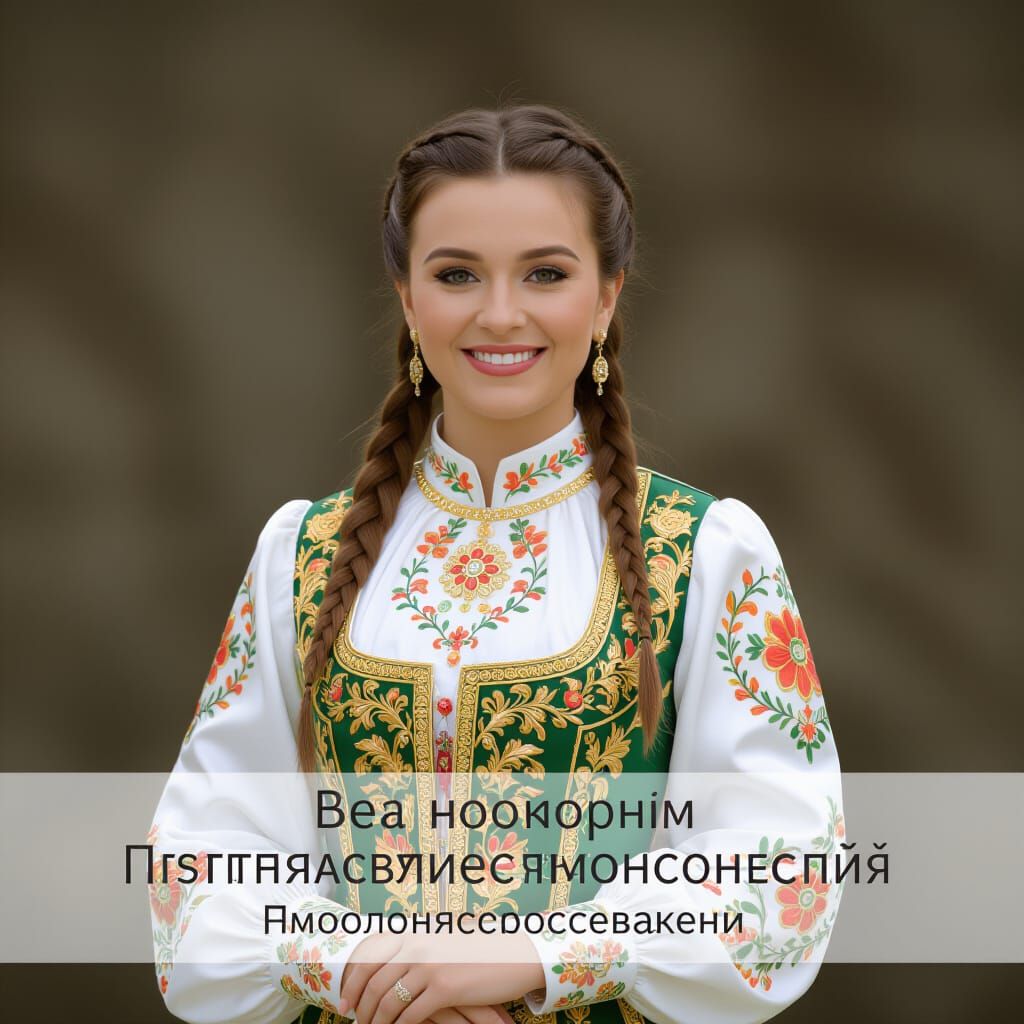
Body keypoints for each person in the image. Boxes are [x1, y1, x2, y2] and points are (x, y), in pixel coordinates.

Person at [148, 104, 844, 1024]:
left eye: (546, 274)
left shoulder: (706, 551)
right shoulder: (301, 557)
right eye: (457, 274)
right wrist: (365, 970)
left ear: (605, 298)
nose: (500, 313)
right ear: (406, 297)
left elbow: (782, 869)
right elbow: (199, 865)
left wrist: (536, 959)